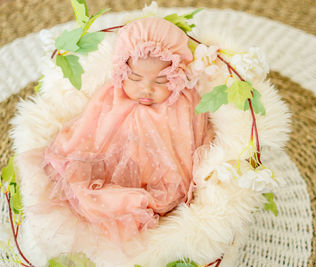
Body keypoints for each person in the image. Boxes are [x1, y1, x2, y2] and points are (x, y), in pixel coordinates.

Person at [40, 16, 215, 243]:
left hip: (158, 167)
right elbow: (92, 126)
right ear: (122, 71)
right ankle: (116, 195)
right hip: (113, 157)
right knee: (91, 168)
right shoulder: (111, 95)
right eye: (135, 77)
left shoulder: (181, 103)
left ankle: (141, 197)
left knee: (164, 183)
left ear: (175, 76)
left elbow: (186, 142)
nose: (147, 89)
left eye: (160, 81)